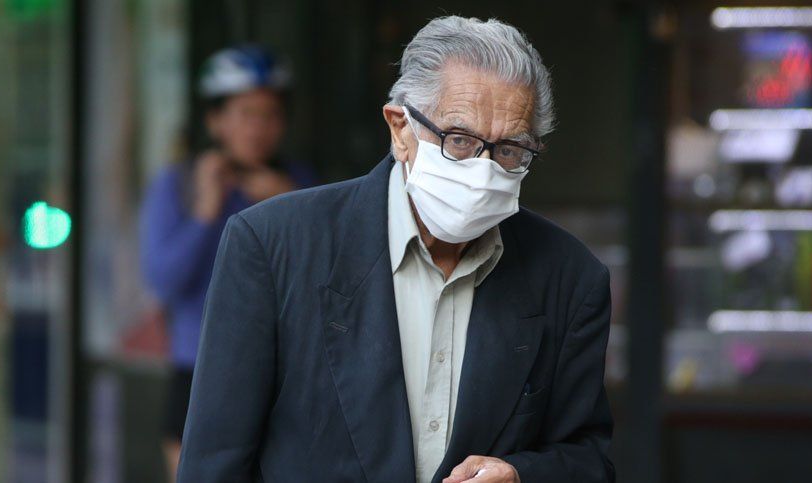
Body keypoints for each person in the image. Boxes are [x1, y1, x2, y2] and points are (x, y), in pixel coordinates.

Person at [178, 17, 614, 483]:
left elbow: (589, 459)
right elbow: (214, 464)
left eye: (509, 150)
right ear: (400, 129)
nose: (484, 170)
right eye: (459, 140)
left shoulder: (570, 278)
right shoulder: (273, 245)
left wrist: (520, 474)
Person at [139, 45, 316, 481]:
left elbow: (330, 278)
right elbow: (163, 280)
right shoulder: (178, 183)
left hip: (286, 373)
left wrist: (290, 203)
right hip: (198, 371)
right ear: (215, 120)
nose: (258, 128)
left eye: (270, 115)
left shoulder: (301, 186)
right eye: (245, 114)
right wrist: (206, 209)